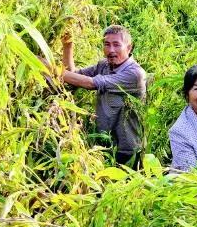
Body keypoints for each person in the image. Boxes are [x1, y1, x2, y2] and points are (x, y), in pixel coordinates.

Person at [60, 25, 146, 167]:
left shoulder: (134, 74)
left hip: (127, 151)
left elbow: (90, 83)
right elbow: (72, 77)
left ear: (129, 48)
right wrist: (68, 47)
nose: (111, 50)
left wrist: (51, 69)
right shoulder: (104, 65)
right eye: (107, 44)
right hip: (103, 146)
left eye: (116, 45)